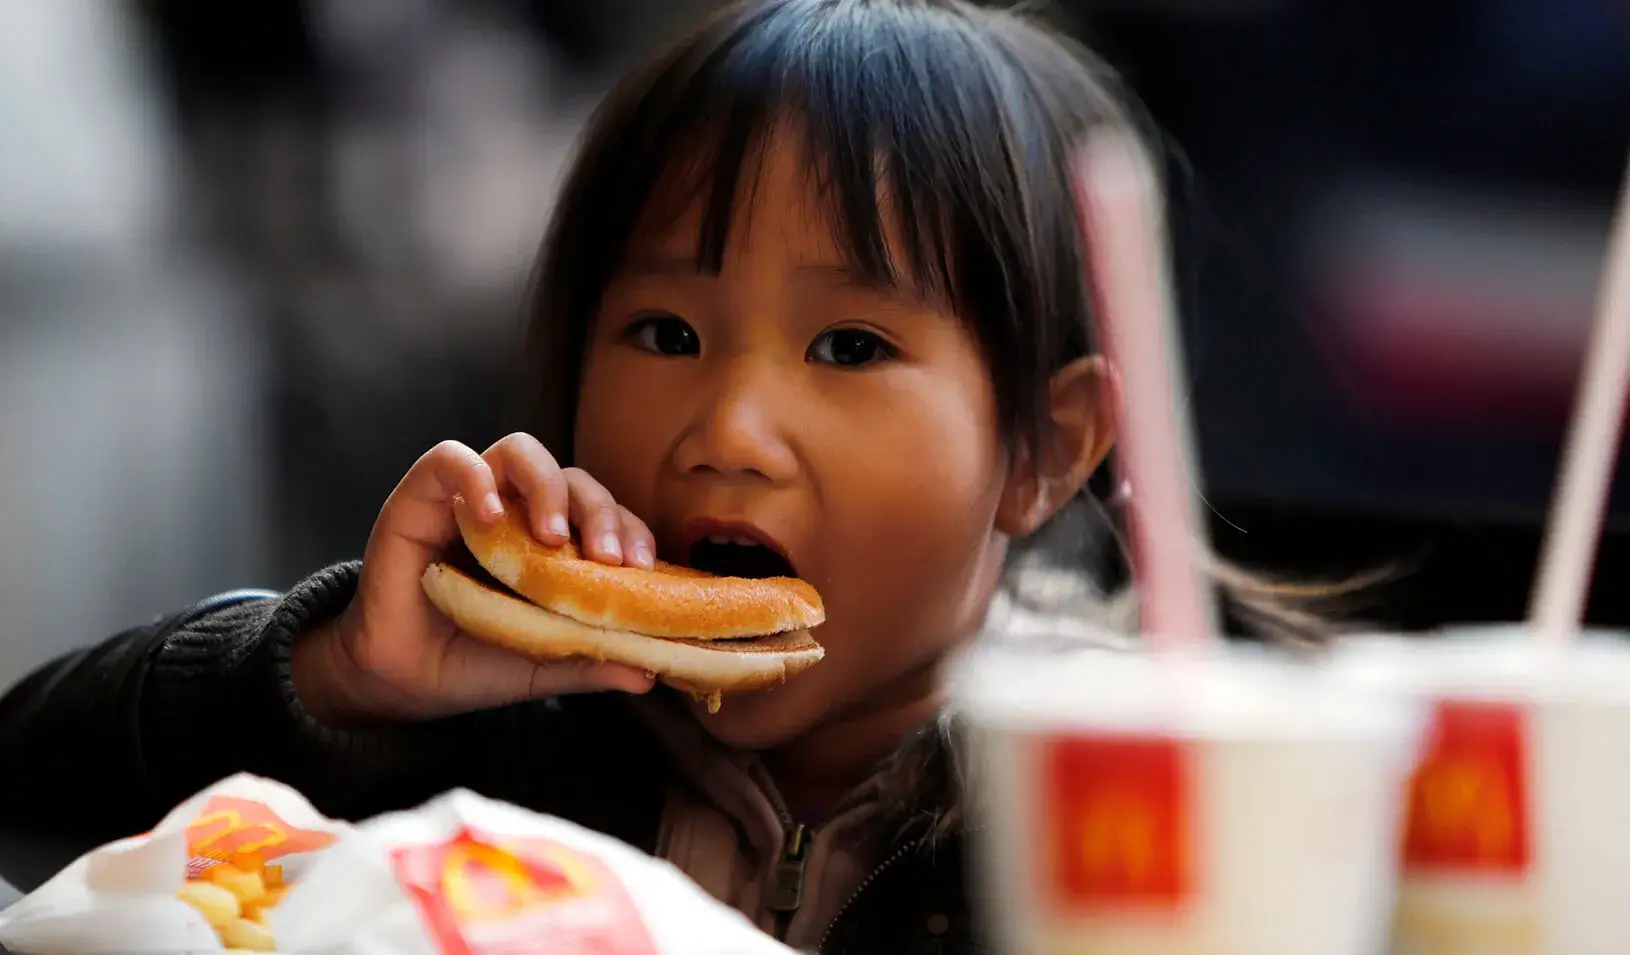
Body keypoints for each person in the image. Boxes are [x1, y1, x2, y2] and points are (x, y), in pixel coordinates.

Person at [0, 1, 1314, 952]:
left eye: (848, 345)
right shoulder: (490, 746)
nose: (726, 427)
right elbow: (32, 789)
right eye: (665, 333)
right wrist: (340, 675)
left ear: (1043, 448)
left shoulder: (1104, 826)